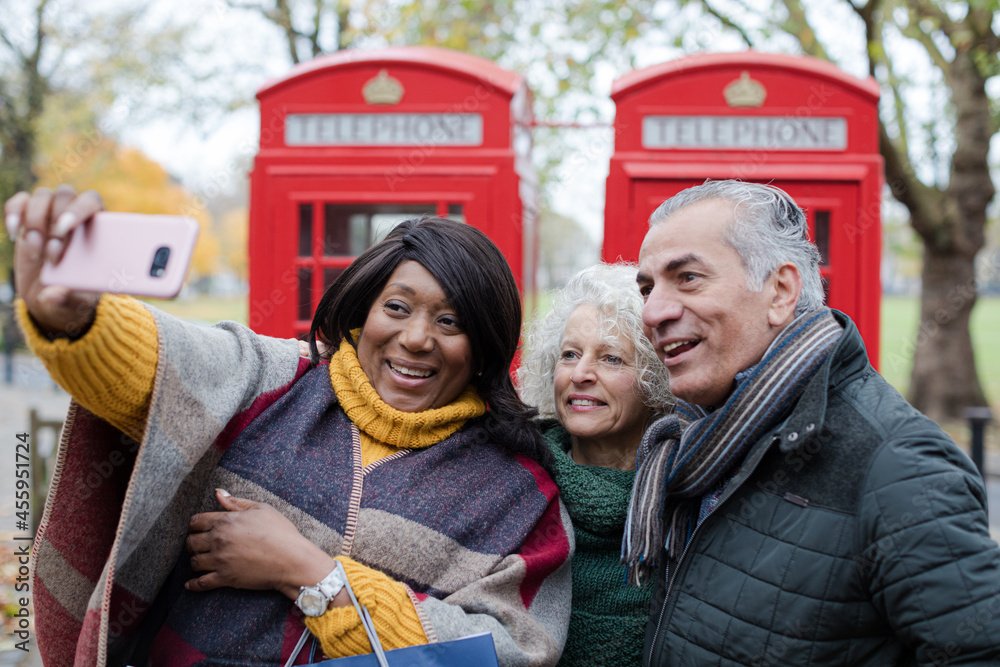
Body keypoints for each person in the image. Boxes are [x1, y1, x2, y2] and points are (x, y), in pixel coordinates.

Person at [8, 185, 572, 666]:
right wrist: (74, 317)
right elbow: (158, 370)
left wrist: (309, 572)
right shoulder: (267, 379)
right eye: (397, 307)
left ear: (484, 348)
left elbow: (508, 654)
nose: (418, 337)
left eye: (450, 321)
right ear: (361, 312)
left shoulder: (518, 493)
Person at [624, 179, 1000, 665]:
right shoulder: (695, 441)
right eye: (648, 287)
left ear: (780, 292)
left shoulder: (898, 466)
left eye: (688, 278)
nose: (653, 311)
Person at [519, 263, 673, 666]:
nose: (581, 374)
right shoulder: (515, 485)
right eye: (570, 354)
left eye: (611, 359)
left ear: (656, 381)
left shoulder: (692, 496)